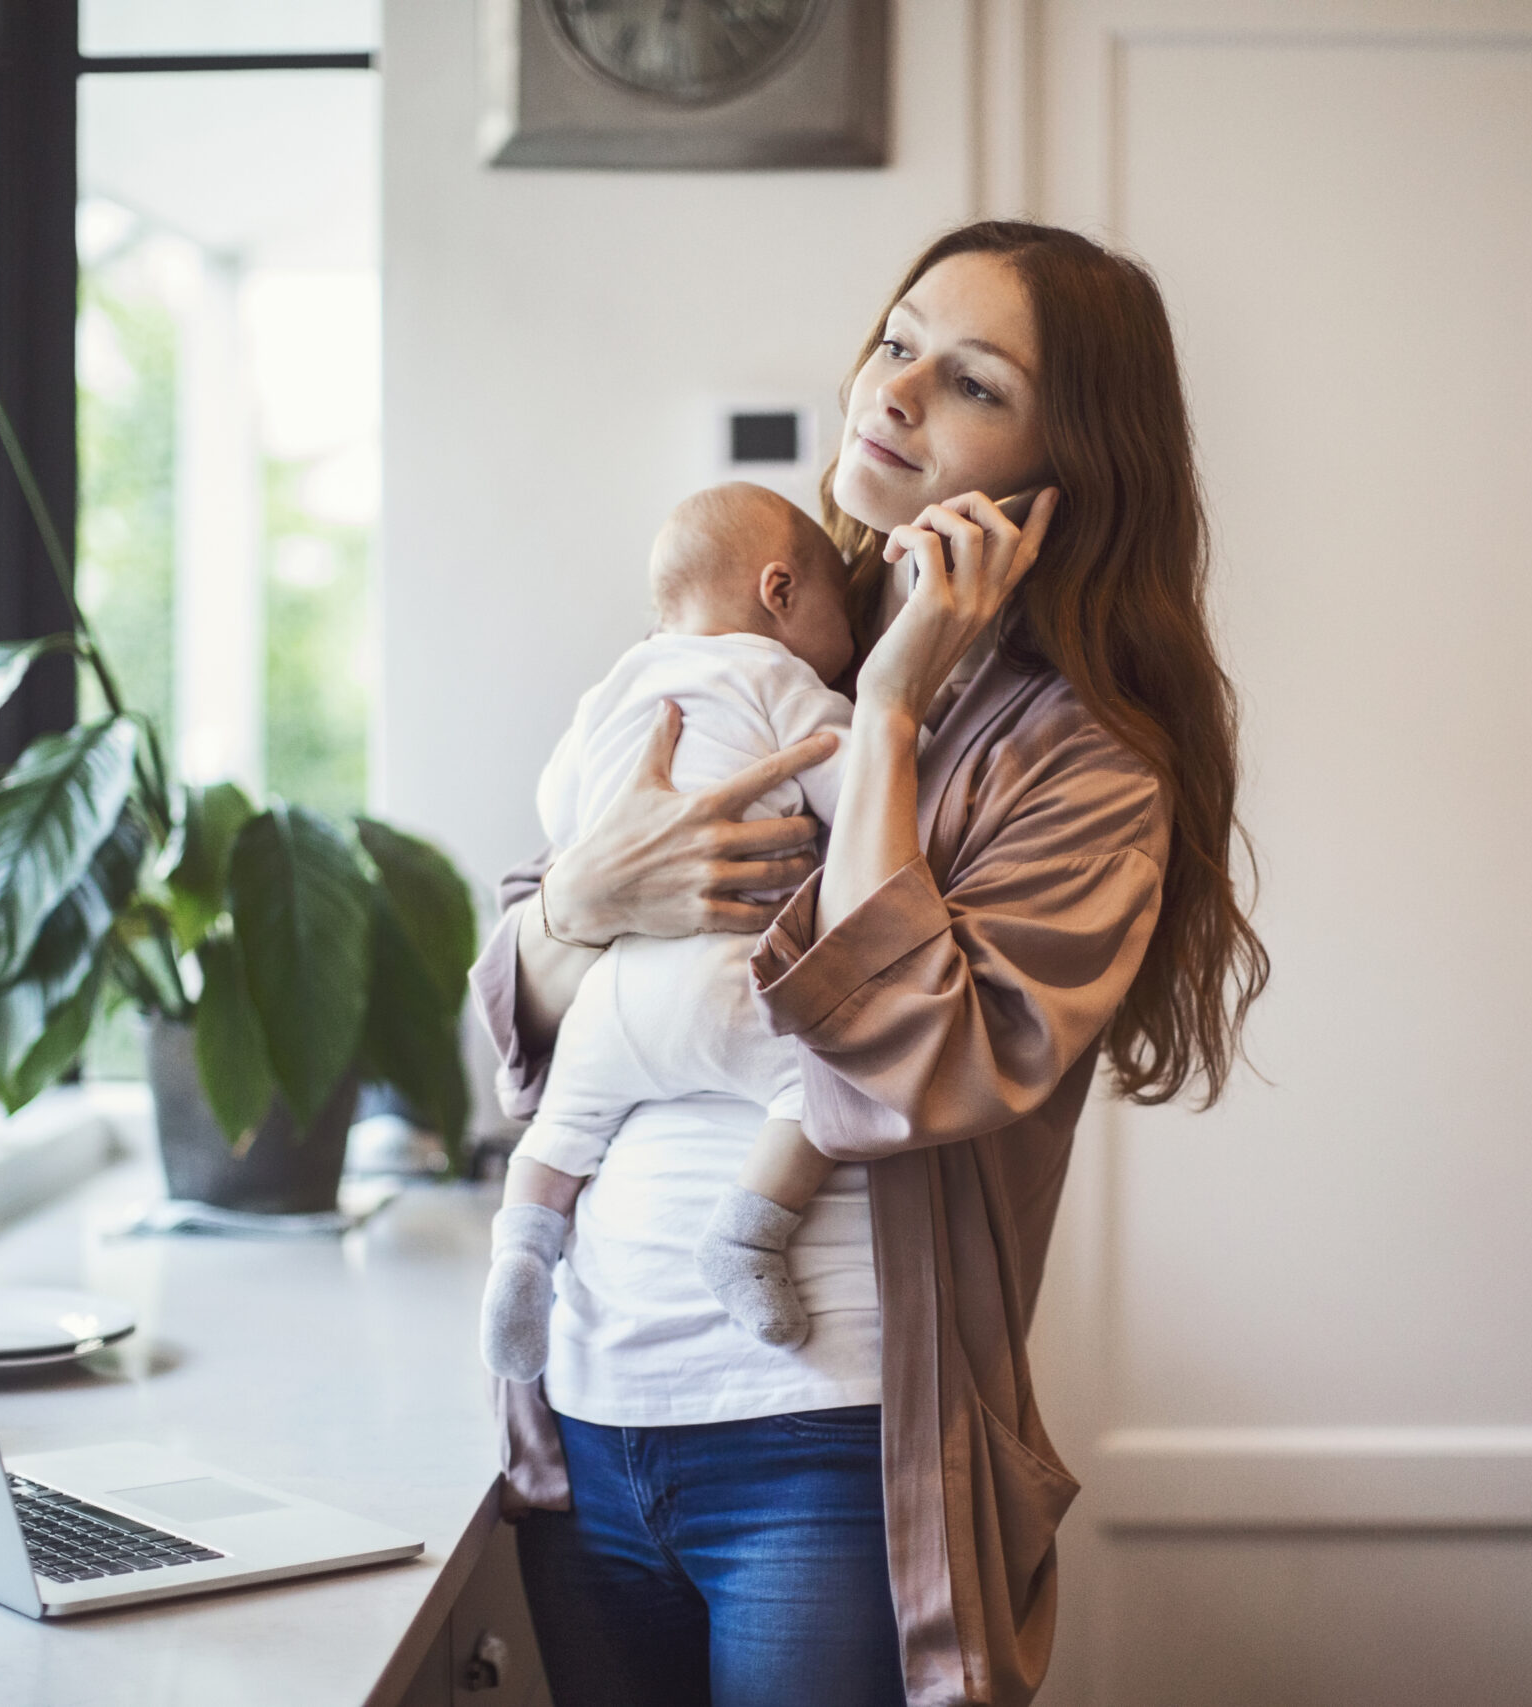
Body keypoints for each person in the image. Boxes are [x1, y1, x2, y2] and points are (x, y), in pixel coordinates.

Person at [468, 221, 1271, 1707]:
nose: (893, 394)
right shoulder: (769, 619)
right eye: (898, 341)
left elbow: (916, 1061)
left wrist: (892, 714)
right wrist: (585, 899)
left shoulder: (1083, 759)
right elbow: (519, 998)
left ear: (1065, 466)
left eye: (971, 383)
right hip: (588, 1406)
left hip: (825, 1449)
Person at [481, 482, 864, 1383]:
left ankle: (523, 1255)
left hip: (612, 1002)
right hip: (727, 983)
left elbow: (559, 807)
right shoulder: (780, 677)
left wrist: (599, 870)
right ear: (780, 592)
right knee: (826, 1086)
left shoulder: (614, 687)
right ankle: (745, 1235)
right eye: (840, 611)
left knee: (559, 1132)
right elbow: (860, 793)